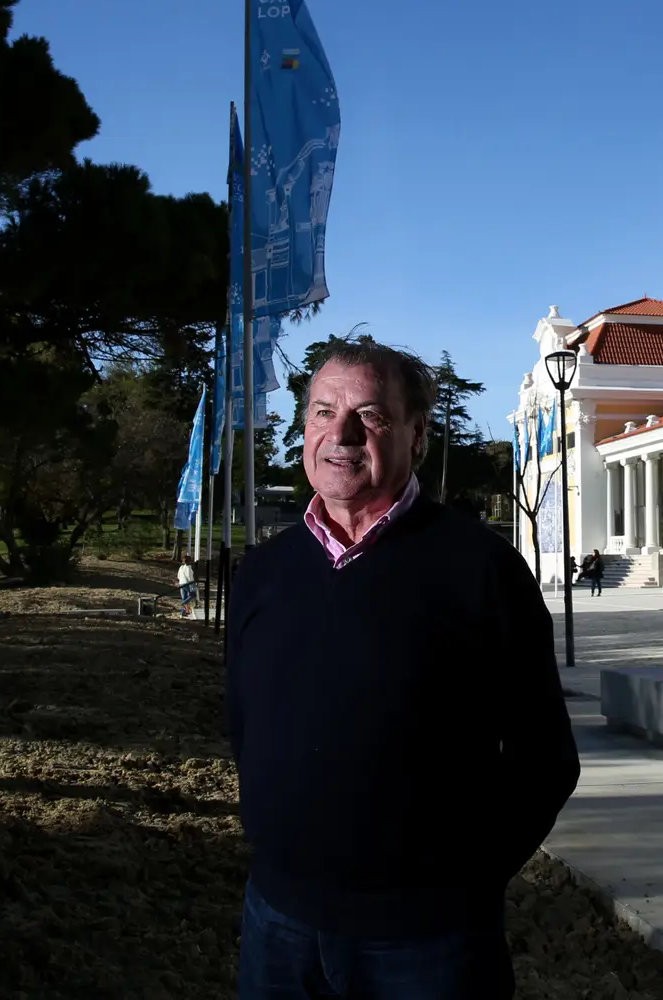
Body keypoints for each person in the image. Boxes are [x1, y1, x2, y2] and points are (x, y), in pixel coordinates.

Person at [227, 337, 579, 999]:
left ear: (417, 435)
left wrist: (461, 888)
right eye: (323, 412)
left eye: (372, 416)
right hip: (277, 922)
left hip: (427, 942)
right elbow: (244, 723)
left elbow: (546, 759)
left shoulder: (482, 569)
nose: (343, 433)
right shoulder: (264, 572)